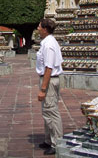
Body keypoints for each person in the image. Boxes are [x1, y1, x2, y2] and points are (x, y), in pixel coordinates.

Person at [36, 18, 63, 155]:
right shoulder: (46, 42)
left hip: (49, 80)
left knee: (51, 111)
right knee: (46, 111)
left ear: (45, 29)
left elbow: (49, 68)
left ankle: (57, 142)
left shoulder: (49, 45)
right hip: (48, 80)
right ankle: (48, 139)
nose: (38, 28)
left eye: (39, 26)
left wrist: (43, 89)